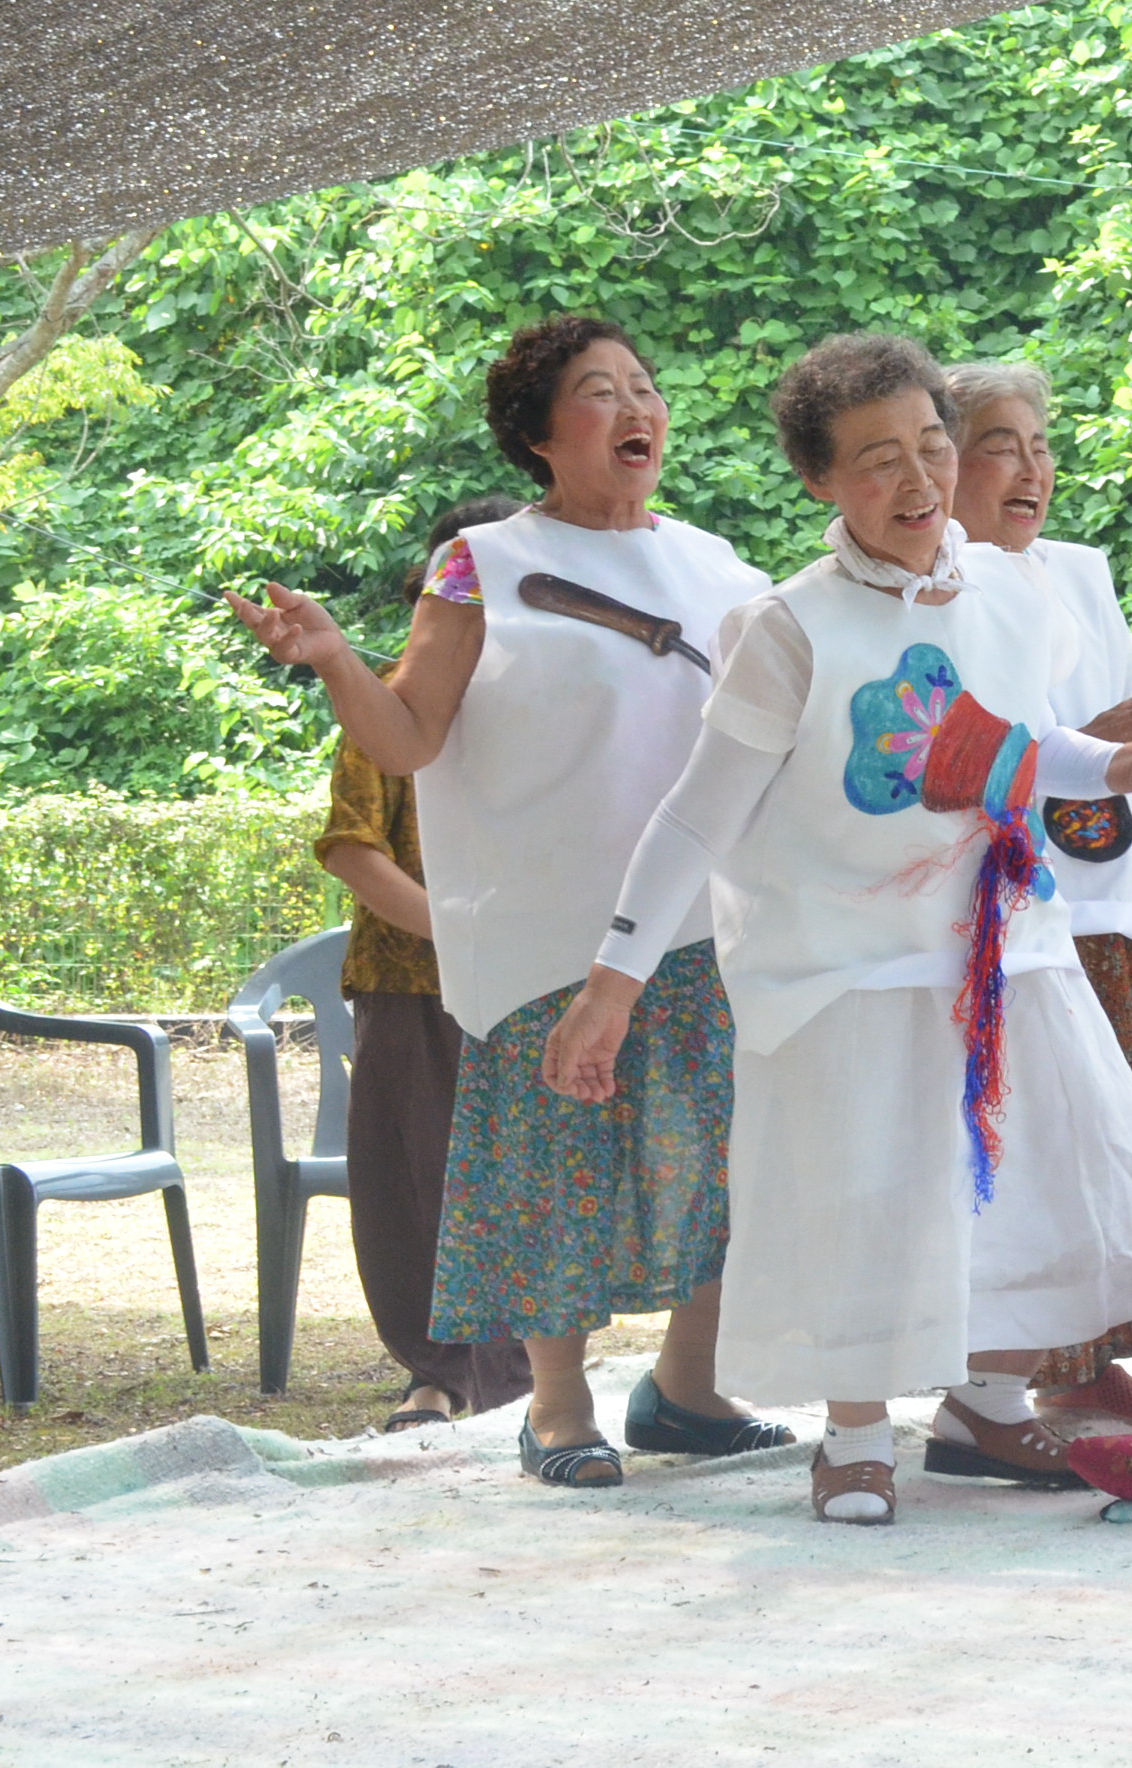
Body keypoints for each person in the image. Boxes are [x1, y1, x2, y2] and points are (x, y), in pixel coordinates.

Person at [543, 334, 1132, 1528]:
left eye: (931, 446)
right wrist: (611, 982)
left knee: (1046, 1175)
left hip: (1003, 948)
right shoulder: (788, 628)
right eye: (877, 461)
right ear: (821, 481)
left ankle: (985, 1405)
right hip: (845, 966)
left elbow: (1022, 747)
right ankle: (854, 1435)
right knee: (862, 1191)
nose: (918, 481)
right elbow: (693, 823)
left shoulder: (1017, 594)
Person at [229, 316, 787, 1488]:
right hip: (542, 931)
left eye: (646, 385)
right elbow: (411, 735)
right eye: (599, 392)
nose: (637, 408)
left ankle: (687, 1392)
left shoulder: (717, 562)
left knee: (721, 1157)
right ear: (539, 435)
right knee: (554, 1167)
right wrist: (335, 660)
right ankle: (556, 1407)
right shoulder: (479, 563)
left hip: (700, 918)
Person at [945, 359, 1132, 1431]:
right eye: (1002, 444)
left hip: (1105, 885)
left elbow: (1102, 732)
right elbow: (987, 749)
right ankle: (1000, 1379)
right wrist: (1103, 747)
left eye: (1042, 444)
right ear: (940, 460)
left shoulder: (1076, 570)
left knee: (1126, 1132)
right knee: (1035, 1139)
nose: (1032, 467)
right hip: (1002, 904)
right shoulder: (936, 580)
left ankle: (1092, 1363)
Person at [319, 492, 534, 1433]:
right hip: (410, 985)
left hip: (537, 980)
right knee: (413, 1181)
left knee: (525, 1177)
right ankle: (437, 1377)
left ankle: (528, 1378)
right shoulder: (387, 695)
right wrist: (458, 930)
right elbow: (351, 846)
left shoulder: (549, 705)